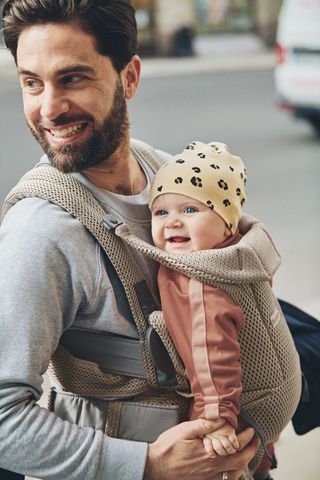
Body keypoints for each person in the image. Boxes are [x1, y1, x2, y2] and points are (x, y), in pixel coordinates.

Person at [0, 1, 259, 479]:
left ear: (130, 78)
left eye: (73, 78)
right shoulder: (41, 232)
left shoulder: (164, 171)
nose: (50, 109)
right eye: (31, 83)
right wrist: (148, 464)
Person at [147, 141, 281, 479]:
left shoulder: (201, 283)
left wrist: (215, 420)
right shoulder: (238, 256)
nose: (173, 222)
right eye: (161, 212)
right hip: (260, 404)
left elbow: (212, 355)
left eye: (190, 210)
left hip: (229, 410)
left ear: (226, 224)